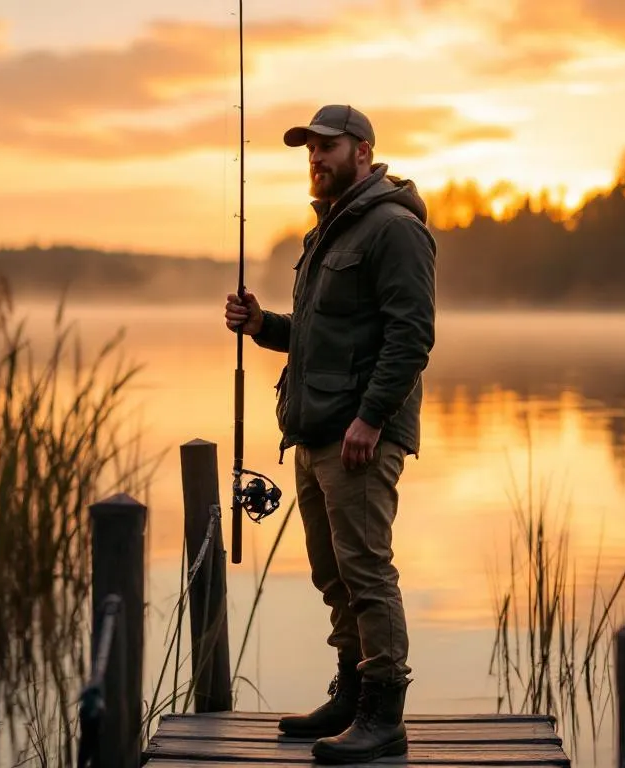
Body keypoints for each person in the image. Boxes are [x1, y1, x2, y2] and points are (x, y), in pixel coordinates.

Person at [223, 104, 436, 764]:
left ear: (363, 152)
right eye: (309, 148)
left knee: (368, 572)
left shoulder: (394, 230)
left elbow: (411, 337)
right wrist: (264, 326)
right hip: (315, 436)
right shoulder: (329, 234)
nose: (315, 157)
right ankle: (349, 694)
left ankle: (383, 715)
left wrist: (370, 420)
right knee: (333, 575)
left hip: (359, 438)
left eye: (328, 146)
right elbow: (320, 339)